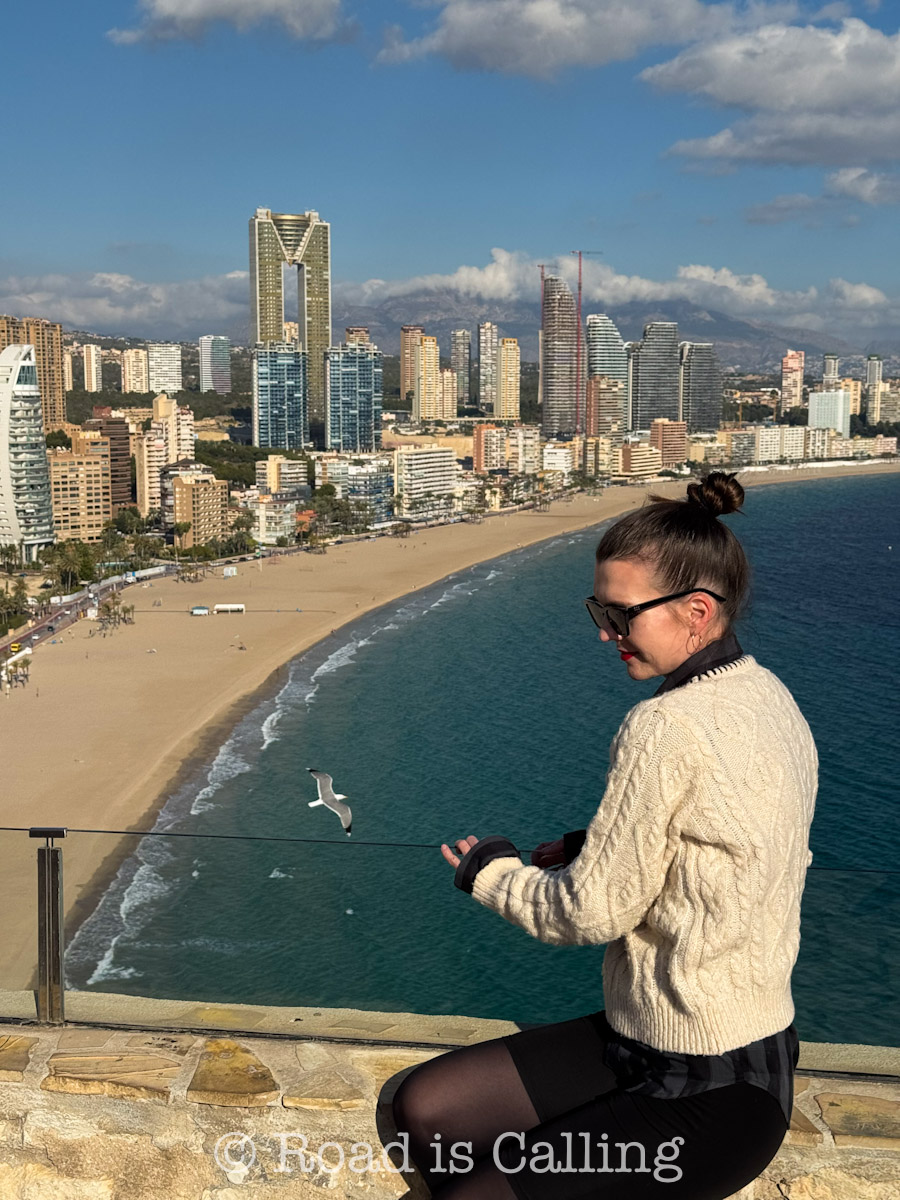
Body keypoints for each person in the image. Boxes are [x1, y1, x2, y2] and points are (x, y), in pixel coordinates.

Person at [391, 472, 818, 1200]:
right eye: (599, 610)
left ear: (696, 611)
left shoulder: (664, 725)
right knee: (424, 1109)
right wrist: (595, 845)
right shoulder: (767, 694)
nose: (603, 633)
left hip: (703, 1090)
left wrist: (488, 874)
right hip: (675, 1044)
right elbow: (729, 840)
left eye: (620, 615)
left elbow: (589, 914)